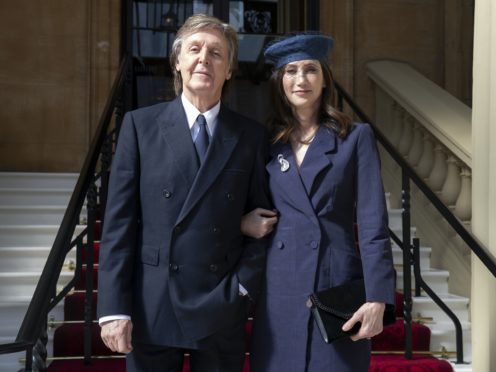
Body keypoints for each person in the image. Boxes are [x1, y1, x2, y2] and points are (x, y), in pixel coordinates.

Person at [97, 14, 272, 372]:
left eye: (216, 53)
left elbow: (266, 223)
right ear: (178, 62)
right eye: (194, 49)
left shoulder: (250, 136)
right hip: (154, 303)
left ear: (229, 71)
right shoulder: (139, 126)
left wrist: (241, 289)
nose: (204, 59)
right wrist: (114, 309)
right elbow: (119, 225)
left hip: (221, 304)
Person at [241, 34, 396, 371]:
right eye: (290, 71)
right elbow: (242, 202)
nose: (300, 79)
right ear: (279, 81)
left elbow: (373, 225)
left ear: (324, 78)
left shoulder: (354, 137)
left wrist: (378, 298)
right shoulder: (264, 141)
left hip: (334, 282)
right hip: (278, 287)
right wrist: (243, 223)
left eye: (310, 70)